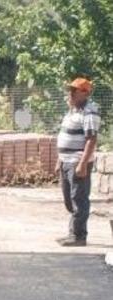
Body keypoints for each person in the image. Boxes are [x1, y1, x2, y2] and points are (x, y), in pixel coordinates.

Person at [55, 77, 101, 247]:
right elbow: (65, 136)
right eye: (70, 90)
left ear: (85, 93)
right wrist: (59, 159)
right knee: (69, 200)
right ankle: (72, 233)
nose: (70, 94)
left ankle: (79, 236)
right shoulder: (72, 111)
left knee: (78, 199)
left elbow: (91, 139)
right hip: (65, 162)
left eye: (74, 91)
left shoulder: (89, 111)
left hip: (77, 162)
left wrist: (82, 164)